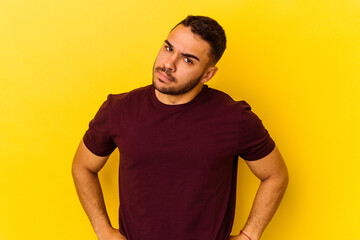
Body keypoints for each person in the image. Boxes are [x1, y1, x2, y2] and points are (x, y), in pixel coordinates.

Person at [72, 15, 289, 240]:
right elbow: (83, 166)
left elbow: (275, 175)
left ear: (208, 74)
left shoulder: (234, 118)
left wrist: (250, 235)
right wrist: (103, 230)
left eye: (187, 60)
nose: (168, 64)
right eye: (168, 48)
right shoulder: (118, 109)